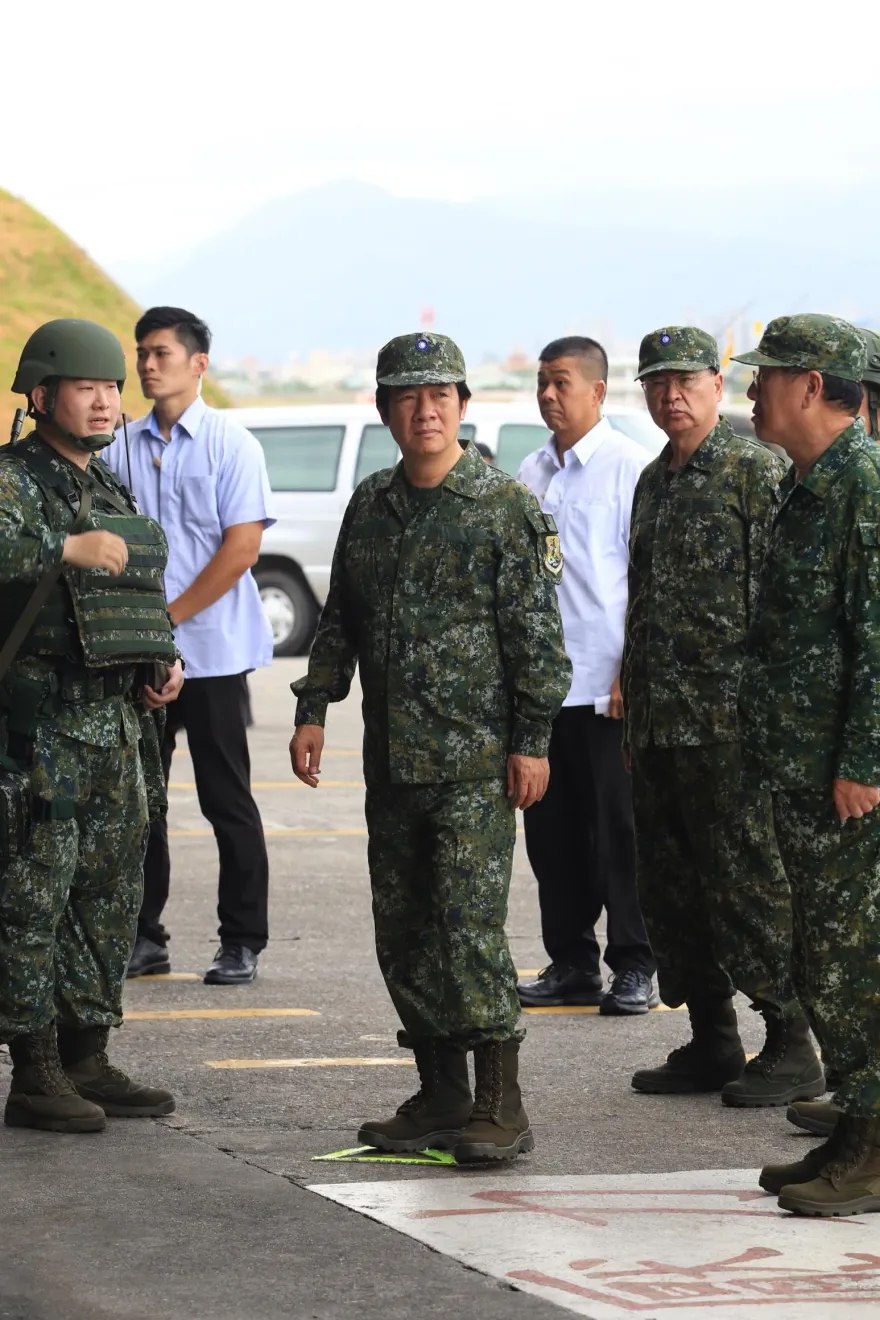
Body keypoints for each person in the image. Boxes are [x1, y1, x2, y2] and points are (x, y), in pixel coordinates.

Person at [290, 332, 571, 1162]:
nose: (427, 409)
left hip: (475, 766)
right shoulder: (371, 505)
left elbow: (537, 642)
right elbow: (341, 618)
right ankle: (441, 1091)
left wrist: (532, 742)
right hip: (393, 765)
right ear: (384, 412)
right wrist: (313, 707)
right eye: (409, 396)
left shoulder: (502, 507)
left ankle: (500, 1104)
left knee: (468, 930)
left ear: (464, 406)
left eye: (441, 394)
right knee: (404, 929)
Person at [622, 325, 823, 1106]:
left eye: (686, 381)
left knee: (748, 885)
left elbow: (785, 602)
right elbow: (642, 601)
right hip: (660, 722)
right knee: (672, 889)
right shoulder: (652, 481)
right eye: (658, 383)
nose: (671, 396)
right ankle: (711, 1037)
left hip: (731, 724)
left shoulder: (755, 469)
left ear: (714, 384)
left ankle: (790, 1040)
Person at [0, 318, 183, 1133]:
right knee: (35, 897)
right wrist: (64, 546)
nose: (108, 399)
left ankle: (87, 1053)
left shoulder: (112, 488)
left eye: (114, 386)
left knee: (109, 893)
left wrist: (161, 659)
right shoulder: (15, 480)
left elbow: (134, 593)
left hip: (114, 727)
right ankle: (33, 1070)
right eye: (88, 386)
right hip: (41, 731)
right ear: (42, 397)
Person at [732, 315, 880, 1216]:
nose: (754, 392)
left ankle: (869, 1147)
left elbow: (877, 638)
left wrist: (864, 760)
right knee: (825, 960)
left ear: (815, 385)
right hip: (798, 766)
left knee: (851, 961)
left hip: (843, 780)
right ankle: (854, 1134)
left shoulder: (862, 486)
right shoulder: (810, 483)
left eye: (768, 377)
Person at [105, 307, 275, 986]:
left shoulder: (232, 443)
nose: (148, 365)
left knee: (225, 800)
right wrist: (146, 637)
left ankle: (242, 940)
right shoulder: (118, 447)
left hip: (212, 653)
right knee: (142, 801)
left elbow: (240, 550)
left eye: (162, 353)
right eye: (142, 353)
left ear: (198, 364)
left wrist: (167, 622)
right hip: (141, 657)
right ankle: (144, 936)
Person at [515, 337, 657, 1015]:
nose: (548, 394)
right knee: (552, 837)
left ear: (597, 392)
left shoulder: (630, 469)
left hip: (607, 688)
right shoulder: (530, 472)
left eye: (561, 382)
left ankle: (635, 963)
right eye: (542, 382)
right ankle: (571, 963)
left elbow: (646, 580)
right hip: (544, 691)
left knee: (619, 834)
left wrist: (633, 669)